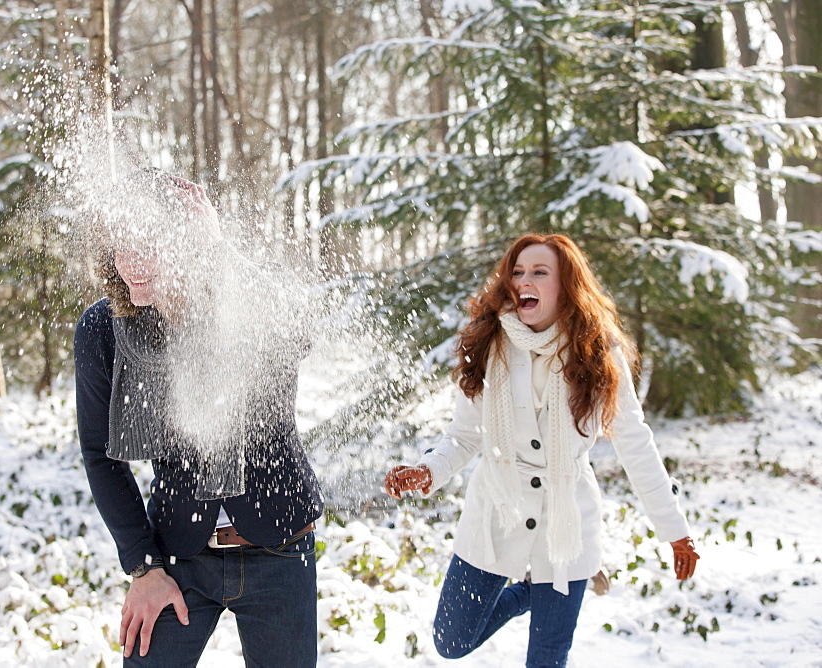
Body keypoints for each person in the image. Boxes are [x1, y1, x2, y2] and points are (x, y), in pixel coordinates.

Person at [383, 234, 699, 666]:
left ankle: (559, 585)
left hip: (566, 528)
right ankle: (528, 593)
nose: (523, 281)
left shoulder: (596, 351)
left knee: (547, 660)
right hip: (496, 512)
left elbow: (634, 441)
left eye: (539, 272)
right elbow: (463, 435)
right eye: (516, 272)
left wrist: (674, 529)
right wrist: (428, 470)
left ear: (566, 286)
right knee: (450, 640)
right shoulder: (487, 342)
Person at [74, 169, 323, 666]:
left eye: (150, 244)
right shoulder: (104, 331)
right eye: (124, 246)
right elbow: (100, 455)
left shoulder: (240, 302)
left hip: (280, 547)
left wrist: (218, 247)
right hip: (179, 553)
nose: (132, 264)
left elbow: (297, 330)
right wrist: (143, 567)